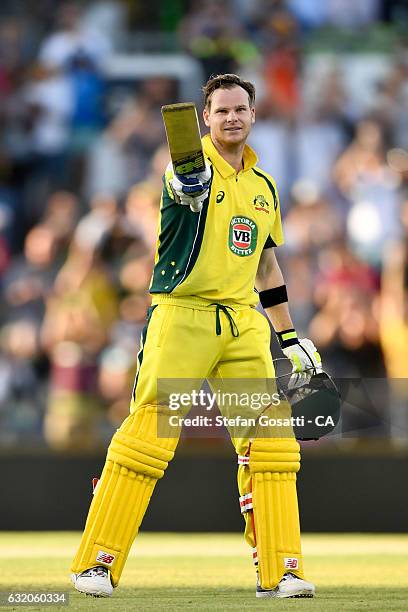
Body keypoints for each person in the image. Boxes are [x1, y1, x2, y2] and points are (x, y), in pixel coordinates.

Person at [70, 73, 321, 599]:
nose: (232, 117)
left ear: (253, 116)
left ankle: (282, 571)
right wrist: (187, 187)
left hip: (243, 322)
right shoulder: (187, 168)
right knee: (148, 438)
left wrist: (290, 336)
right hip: (181, 315)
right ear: (206, 118)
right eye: (222, 110)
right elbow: (182, 183)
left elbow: (267, 267)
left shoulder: (264, 186)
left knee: (272, 446)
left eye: (240, 109)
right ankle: (97, 563)